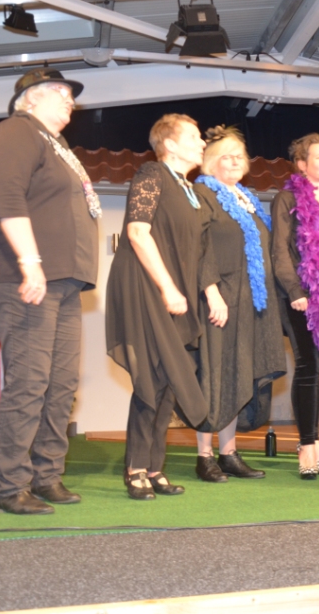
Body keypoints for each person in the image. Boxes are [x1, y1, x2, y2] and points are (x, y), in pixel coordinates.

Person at [0, 68, 99, 515]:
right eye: (59, 92)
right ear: (29, 98)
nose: (70, 100)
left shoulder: (58, 146)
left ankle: (47, 476)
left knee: (61, 384)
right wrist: (30, 263)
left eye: (71, 94)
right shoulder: (17, 131)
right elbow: (8, 197)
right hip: (24, 275)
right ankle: (12, 486)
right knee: (29, 381)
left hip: (63, 279)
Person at [106, 114, 209, 500]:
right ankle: (135, 468)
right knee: (151, 377)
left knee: (169, 379)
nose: (202, 143)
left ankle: (154, 466)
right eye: (194, 136)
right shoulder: (152, 173)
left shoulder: (188, 188)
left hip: (175, 291)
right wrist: (167, 287)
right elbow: (137, 232)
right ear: (170, 144)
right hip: (147, 286)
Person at [192, 126, 285, 482]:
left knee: (239, 373)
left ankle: (228, 452)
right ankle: (204, 455)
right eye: (225, 156)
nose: (234, 161)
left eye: (239, 156)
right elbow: (198, 246)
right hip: (221, 298)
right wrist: (211, 291)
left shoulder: (247, 198)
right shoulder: (203, 193)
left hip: (250, 302)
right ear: (210, 162)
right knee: (215, 374)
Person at [271, 133, 319, 480]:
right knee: (307, 366)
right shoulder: (287, 199)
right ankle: (306, 447)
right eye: (318, 157)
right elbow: (280, 252)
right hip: (301, 297)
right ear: (301, 164)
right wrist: (295, 290)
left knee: (316, 369)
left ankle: (315, 446)